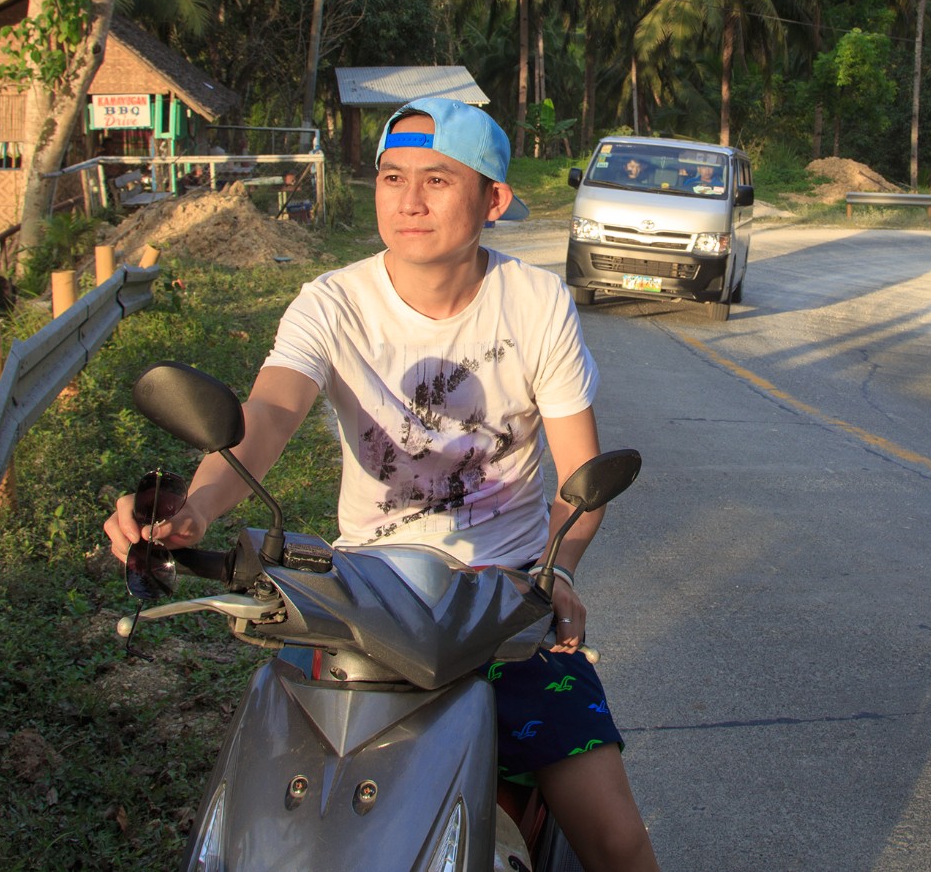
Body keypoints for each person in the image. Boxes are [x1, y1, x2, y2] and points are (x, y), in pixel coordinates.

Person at [104, 97, 660, 872]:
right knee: (259, 823)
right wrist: (195, 507)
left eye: (438, 179)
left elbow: (579, 476)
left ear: (492, 199)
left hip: (497, 607)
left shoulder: (534, 303)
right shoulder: (333, 303)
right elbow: (265, 415)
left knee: (618, 842)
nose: (408, 199)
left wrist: (554, 570)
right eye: (392, 176)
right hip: (361, 605)